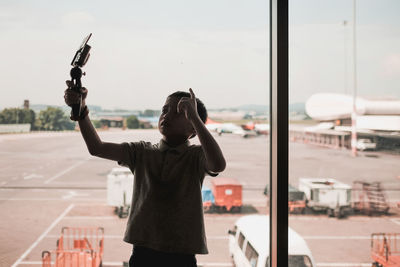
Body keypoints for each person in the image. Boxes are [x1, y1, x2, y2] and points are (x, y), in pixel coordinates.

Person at [64, 82, 226, 267]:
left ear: (193, 130)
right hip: (143, 251)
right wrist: (81, 109)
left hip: (182, 253)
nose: (167, 115)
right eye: (165, 110)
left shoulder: (196, 156)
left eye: (179, 113)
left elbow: (218, 165)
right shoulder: (141, 152)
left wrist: (196, 119)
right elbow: (96, 148)